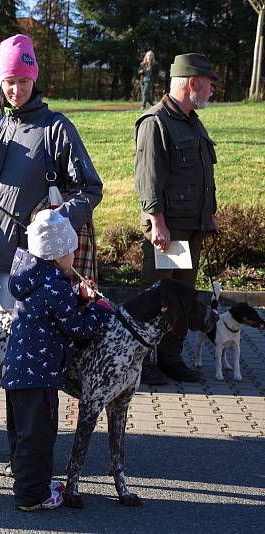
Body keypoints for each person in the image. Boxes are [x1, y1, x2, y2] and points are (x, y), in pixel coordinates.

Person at [0, 34, 104, 462]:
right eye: (8, 80)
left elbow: (90, 189)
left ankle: (22, 440)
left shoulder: (56, 128)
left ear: (35, 77)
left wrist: (58, 220)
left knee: (21, 357)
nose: (15, 89)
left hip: (25, 271)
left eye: (22, 80)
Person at [1, 209, 113, 512]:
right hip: (40, 375)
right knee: (38, 437)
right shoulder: (55, 286)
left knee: (23, 434)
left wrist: (77, 294)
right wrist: (100, 308)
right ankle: (31, 496)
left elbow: (51, 308)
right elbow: (78, 329)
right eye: (71, 251)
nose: (74, 257)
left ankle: (30, 484)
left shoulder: (34, 278)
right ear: (57, 253)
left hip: (18, 373)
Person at [135, 53, 218, 386]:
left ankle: (170, 358)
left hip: (192, 226)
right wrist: (157, 221)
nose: (212, 91)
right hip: (168, 228)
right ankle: (143, 361)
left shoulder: (192, 121)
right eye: (209, 84)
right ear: (193, 83)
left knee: (183, 299)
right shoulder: (155, 122)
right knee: (157, 299)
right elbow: (148, 177)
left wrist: (208, 216)